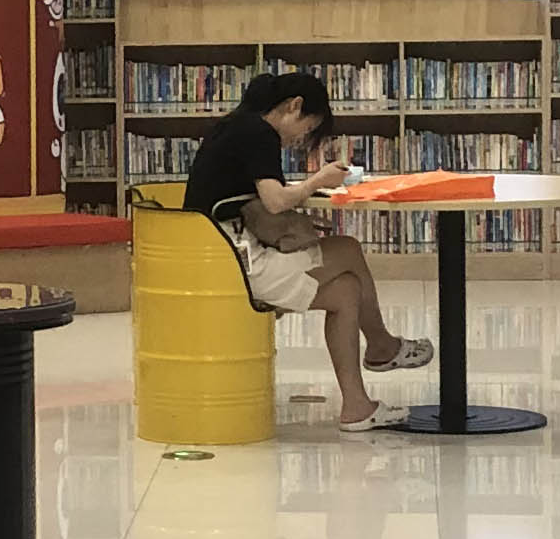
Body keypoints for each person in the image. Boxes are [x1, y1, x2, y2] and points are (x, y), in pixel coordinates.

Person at [183, 69, 435, 431]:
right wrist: (318, 180)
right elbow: (274, 201)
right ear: (294, 106)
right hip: (235, 265)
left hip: (217, 259)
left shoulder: (233, 127)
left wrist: (299, 207)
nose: (299, 139)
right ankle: (381, 346)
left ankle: (357, 407)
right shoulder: (259, 132)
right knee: (348, 249)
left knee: (346, 290)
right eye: (306, 127)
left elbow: (249, 202)